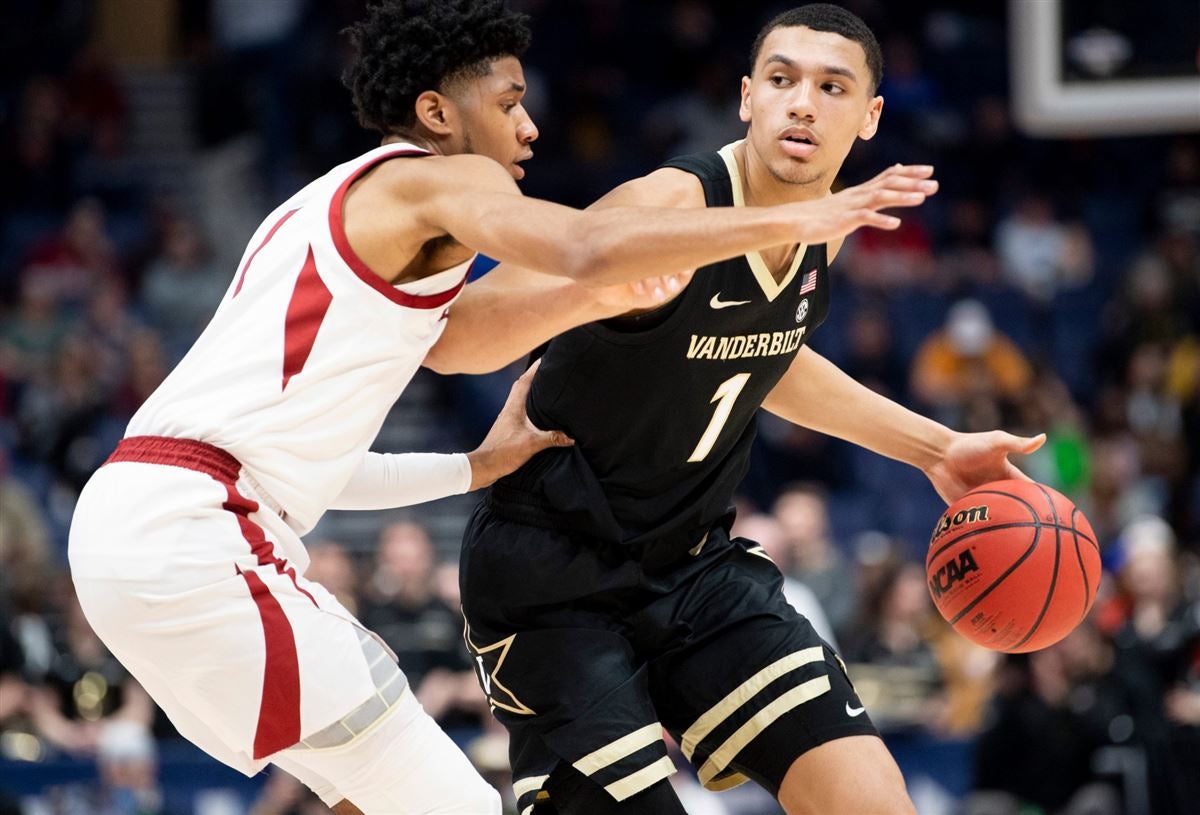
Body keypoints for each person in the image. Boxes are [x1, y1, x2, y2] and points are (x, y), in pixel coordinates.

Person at [66, 2, 930, 813]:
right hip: (195, 531)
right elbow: (588, 247)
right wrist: (814, 215)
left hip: (151, 519)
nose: (530, 127)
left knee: (372, 784)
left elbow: (320, 466)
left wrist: (470, 465)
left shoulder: (331, 207)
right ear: (441, 114)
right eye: (510, 102)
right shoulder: (430, 183)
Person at [452, 6, 1045, 813]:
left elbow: (768, 351)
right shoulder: (669, 201)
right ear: (745, 98)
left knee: (869, 798)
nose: (802, 102)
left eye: (831, 87)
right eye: (781, 80)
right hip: (553, 571)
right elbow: (460, 335)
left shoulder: (820, 230)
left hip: (693, 565)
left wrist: (933, 447)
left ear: (869, 116)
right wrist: (592, 289)